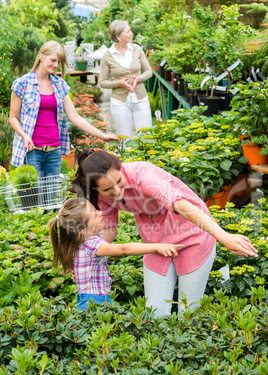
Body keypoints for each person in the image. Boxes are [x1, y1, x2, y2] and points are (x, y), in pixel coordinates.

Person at [70, 149, 258, 318]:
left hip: (193, 235)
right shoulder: (100, 195)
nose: (117, 191)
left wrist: (224, 236)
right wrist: (86, 257)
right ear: (95, 188)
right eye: (108, 189)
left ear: (120, 167)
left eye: (119, 181)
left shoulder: (142, 175)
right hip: (156, 244)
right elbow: (109, 231)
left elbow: (180, 205)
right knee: (153, 313)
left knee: (189, 313)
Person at [48, 197, 182, 310]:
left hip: (89, 298)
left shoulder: (77, 241)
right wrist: (157, 247)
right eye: (95, 214)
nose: (100, 213)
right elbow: (124, 249)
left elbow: (111, 232)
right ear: (84, 231)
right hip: (94, 301)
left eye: (96, 209)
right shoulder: (92, 244)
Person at [9, 40, 119, 176]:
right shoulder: (22, 84)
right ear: (41, 56)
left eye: (58, 62)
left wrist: (102, 135)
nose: (56, 65)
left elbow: (75, 117)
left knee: (51, 196)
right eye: (53, 60)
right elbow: (13, 117)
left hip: (53, 153)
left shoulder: (60, 85)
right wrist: (24, 136)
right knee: (33, 196)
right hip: (31, 151)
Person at [99, 20, 153, 139]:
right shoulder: (108, 56)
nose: (131, 33)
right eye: (127, 31)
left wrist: (139, 78)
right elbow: (102, 82)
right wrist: (118, 83)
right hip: (120, 103)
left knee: (147, 137)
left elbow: (149, 71)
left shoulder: (137, 49)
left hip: (141, 100)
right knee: (125, 139)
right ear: (118, 36)